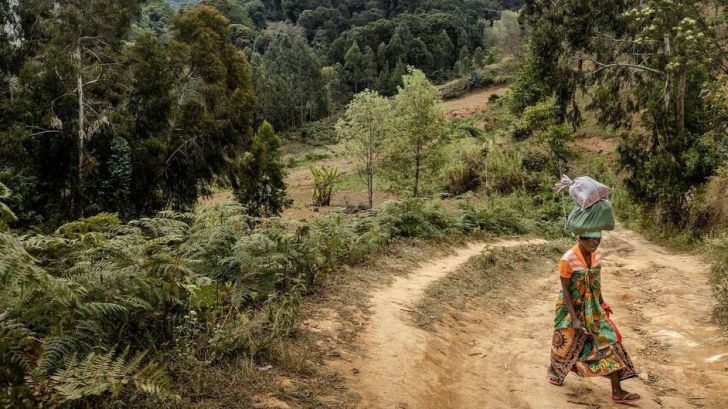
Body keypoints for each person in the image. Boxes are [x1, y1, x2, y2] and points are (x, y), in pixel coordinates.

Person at [546, 231, 640, 405]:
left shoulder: (597, 256)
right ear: (581, 238)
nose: (596, 243)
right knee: (565, 344)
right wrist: (574, 319)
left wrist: (602, 303)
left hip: (593, 309)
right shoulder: (567, 259)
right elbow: (565, 291)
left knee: (610, 341)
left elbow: (596, 283)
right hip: (570, 310)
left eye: (598, 239)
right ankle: (555, 371)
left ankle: (617, 391)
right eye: (592, 239)